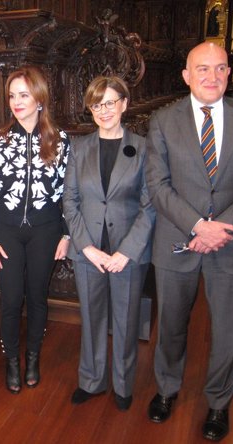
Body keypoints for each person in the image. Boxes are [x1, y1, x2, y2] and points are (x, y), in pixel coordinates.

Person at [145, 42, 233, 441]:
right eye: (202, 69)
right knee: (170, 325)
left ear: (229, 74)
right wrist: (198, 225)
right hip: (176, 240)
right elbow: (157, 185)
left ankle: (219, 402)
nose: (212, 77)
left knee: (227, 330)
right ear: (186, 75)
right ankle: (166, 389)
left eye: (220, 69)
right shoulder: (163, 121)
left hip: (232, 243)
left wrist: (222, 227)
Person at [0, 66, 70, 394]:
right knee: (12, 299)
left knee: (38, 297)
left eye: (23, 95)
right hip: (7, 232)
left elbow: (68, 193)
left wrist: (66, 234)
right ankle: (12, 361)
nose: (16, 101)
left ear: (40, 98)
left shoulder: (59, 140)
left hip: (46, 231)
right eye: (12, 95)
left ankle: (32, 357)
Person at [62, 76, 155, 411]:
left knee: (126, 321)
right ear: (90, 108)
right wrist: (85, 246)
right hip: (89, 251)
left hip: (127, 253)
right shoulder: (79, 147)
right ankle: (91, 380)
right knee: (91, 318)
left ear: (124, 104)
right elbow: (69, 202)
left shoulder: (144, 148)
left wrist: (127, 252)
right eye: (97, 104)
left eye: (110, 102)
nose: (104, 110)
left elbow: (150, 205)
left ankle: (123, 384)